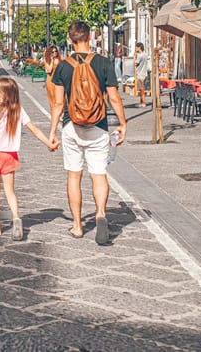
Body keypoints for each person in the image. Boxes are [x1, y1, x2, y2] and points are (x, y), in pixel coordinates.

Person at [49, 21, 128, 246]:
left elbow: (57, 103)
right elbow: (113, 98)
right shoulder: (103, 63)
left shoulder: (63, 67)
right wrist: (122, 123)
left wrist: (52, 131)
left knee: (74, 175)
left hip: (71, 126)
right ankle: (101, 213)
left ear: (70, 39)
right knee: (98, 174)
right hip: (99, 127)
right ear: (90, 37)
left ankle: (77, 225)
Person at [0, 77, 58, 240]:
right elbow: (35, 130)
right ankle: (16, 217)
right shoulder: (18, 111)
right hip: (9, 155)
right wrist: (48, 143)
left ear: (4, 94)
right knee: (10, 191)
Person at [133, 42, 151, 107]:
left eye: (136, 47)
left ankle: (143, 102)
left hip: (140, 74)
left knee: (141, 89)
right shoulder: (145, 55)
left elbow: (135, 64)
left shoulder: (139, 56)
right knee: (141, 89)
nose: (135, 48)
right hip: (145, 73)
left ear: (139, 47)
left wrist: (134, 57)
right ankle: (141, 102)